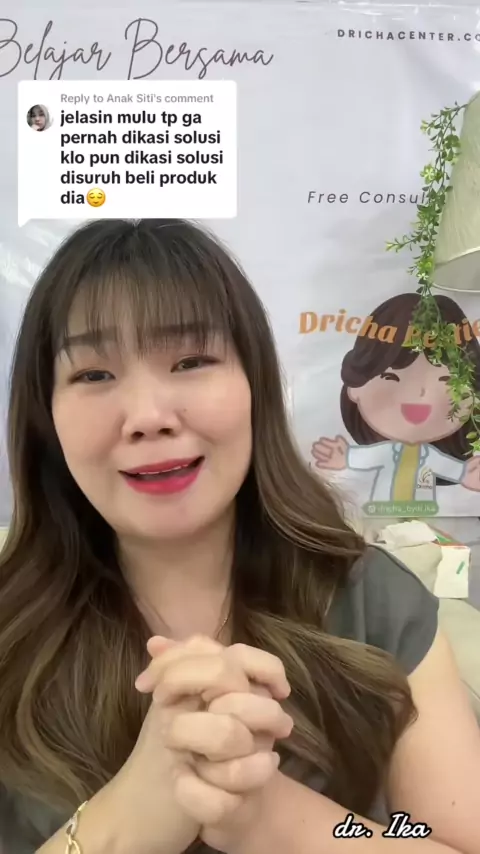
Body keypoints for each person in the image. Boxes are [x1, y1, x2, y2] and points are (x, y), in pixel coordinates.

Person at [0, 218, 478, 854]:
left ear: (256, 385)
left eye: (191, 361)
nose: (148, 417)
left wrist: (270, 817)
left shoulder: (375, 603)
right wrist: (129, 816)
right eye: (93, 375)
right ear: (45, 415)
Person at [312, 292, 480, 505]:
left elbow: (450, 468)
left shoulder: (429, 456)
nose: (419, 394)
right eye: (391, 378)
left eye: (447, 379)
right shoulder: (385, 452)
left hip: (425, 512)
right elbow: (362, 459)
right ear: (355, 388)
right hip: (380, 512)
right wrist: (344, 458)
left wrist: (465, 474)